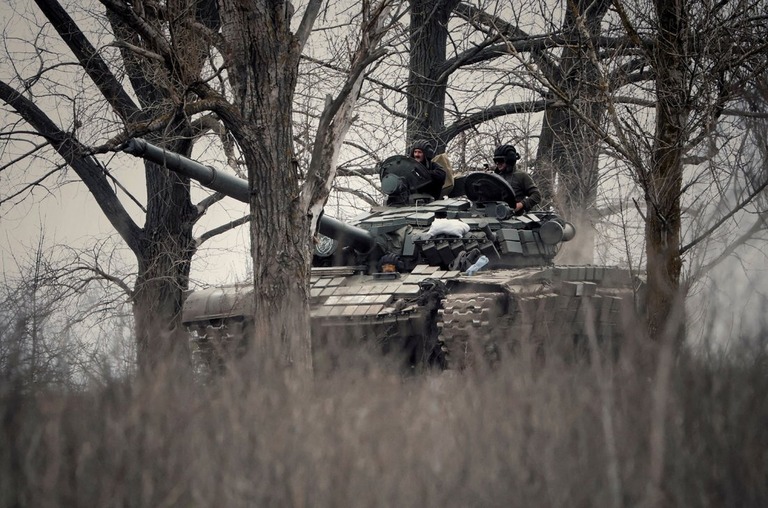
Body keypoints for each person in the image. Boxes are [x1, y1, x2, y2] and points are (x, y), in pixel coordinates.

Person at [493, 144, 541, 213]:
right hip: (495, 214)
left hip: (515, 216)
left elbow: (536, 195)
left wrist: (521, 204)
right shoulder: (495, 177)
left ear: (509, 160)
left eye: (500, 161)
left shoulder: (521, 176)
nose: (498, 164)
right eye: (496, 161)